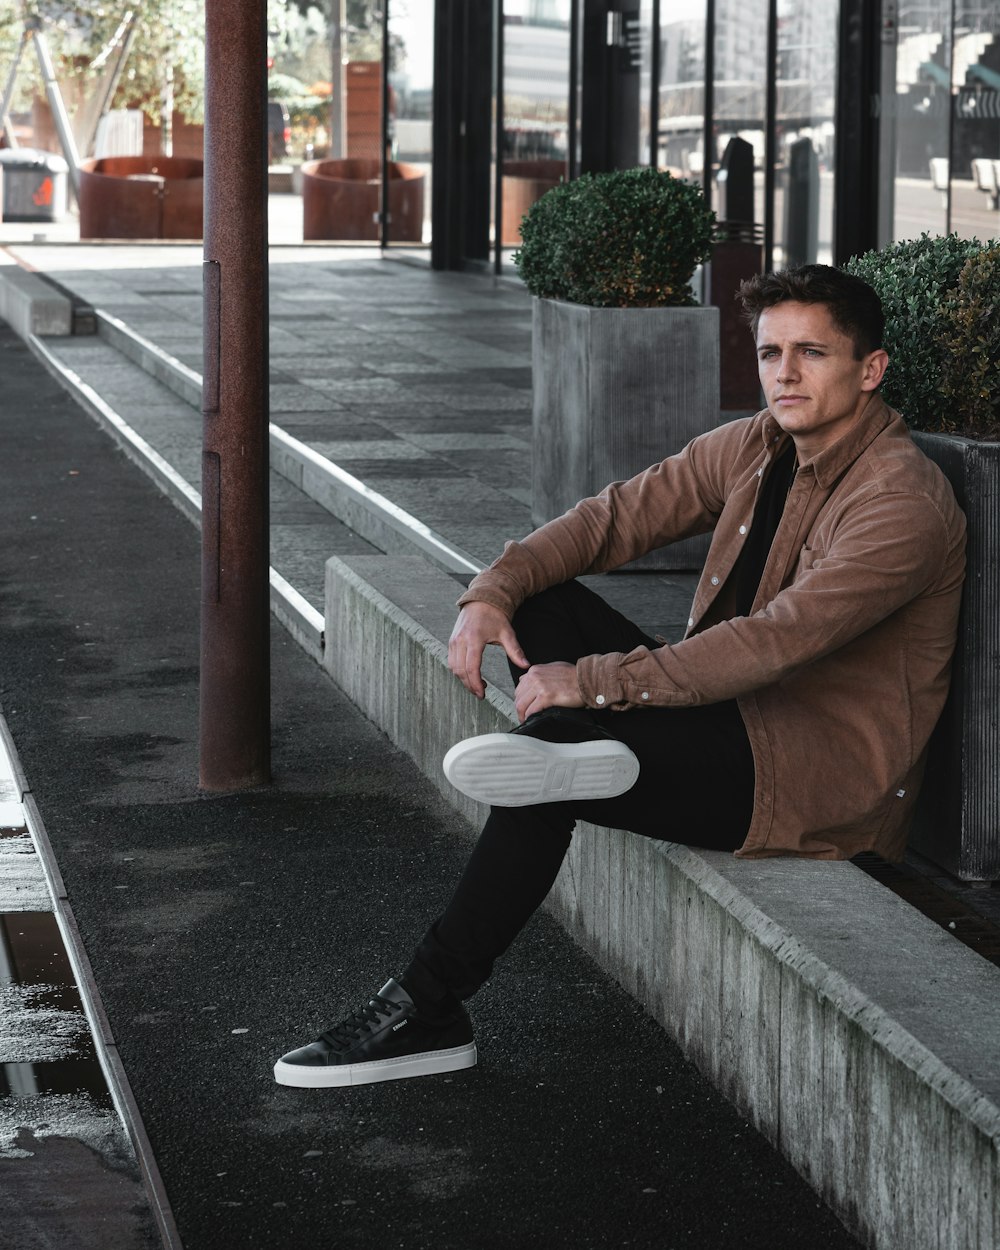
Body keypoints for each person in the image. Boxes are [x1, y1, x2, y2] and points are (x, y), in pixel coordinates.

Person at [273, 264, 966, 1089]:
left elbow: (774, 642)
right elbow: (613, 517)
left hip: (804, 777)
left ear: (871, 369)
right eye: (771, 351)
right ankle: (567, 753)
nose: (784, 373)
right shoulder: (756, 445)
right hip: (720, 718)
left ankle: (429, 1003)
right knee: (544, 602)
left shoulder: (901, 502)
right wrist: (490, 592)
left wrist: (596, 683)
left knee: (548, 776)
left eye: (812, 352)